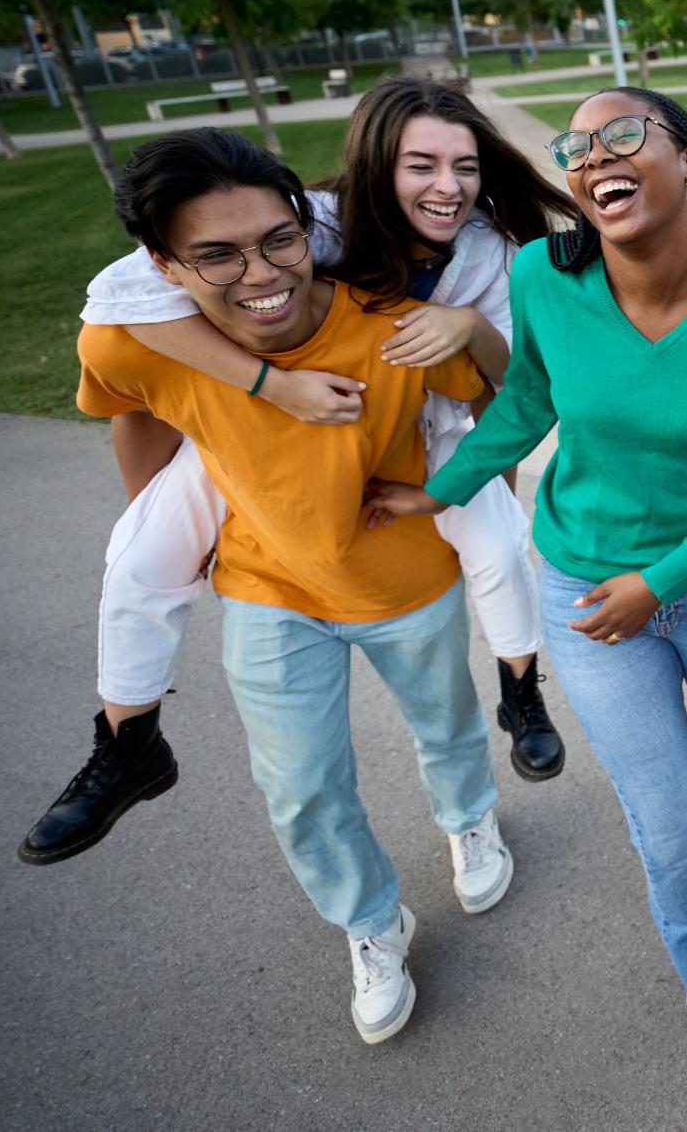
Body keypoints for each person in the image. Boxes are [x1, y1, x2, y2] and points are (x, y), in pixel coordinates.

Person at [365, 87, 687, 1086]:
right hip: (583, 591)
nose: (595, 155)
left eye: (623, 135)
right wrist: (436, 492)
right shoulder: (541, 274)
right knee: (664, 817)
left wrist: (659, 581)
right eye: (578, 146)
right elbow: (526, 401)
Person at [19, 77, 574, 868]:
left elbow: (514, 393)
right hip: (262, 429)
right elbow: (117, 304)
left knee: (495, 536)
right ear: (374, 166)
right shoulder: (302, 223)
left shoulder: (488, 253)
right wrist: (267, 388)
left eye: (466, 165)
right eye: (420, 164)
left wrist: (469, 327)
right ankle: (128, 741)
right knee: (139, 556)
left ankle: (520, 691)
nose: (447, 187)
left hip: (422, 419)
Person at [72, 128, 513, 1044]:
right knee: (303, 787)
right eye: (216, 254)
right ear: (163, 265)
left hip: (404, 579)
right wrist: (160, 524)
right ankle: (370, 920)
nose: (261, 270)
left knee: (448, 726)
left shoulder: (391, 322)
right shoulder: (138, 343)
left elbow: (494, 398)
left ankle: (470, 820)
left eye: (279, 239)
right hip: (268, 590)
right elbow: (129, 409)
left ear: (306, 225)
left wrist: (467, 494)